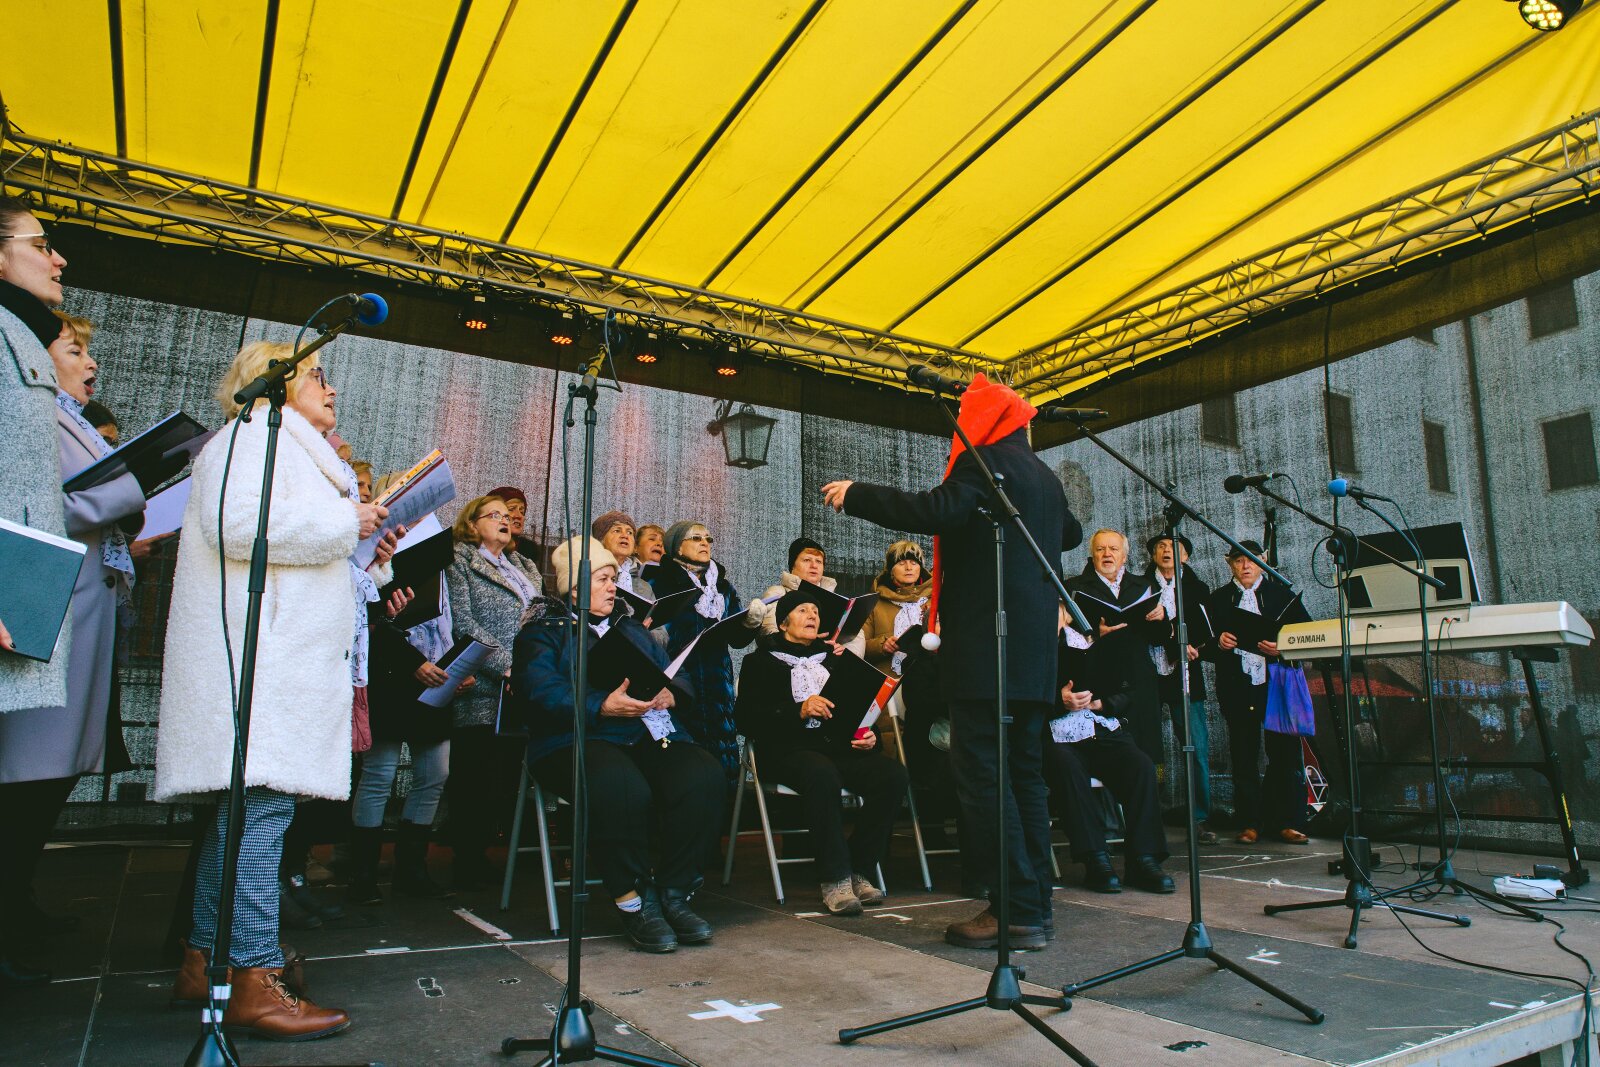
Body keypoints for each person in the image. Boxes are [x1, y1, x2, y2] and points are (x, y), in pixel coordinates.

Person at [156, 340, 385, 1039]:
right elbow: (238, 527)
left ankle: (205, 961)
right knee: (258, 822)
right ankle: (253, 978)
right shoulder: (254, 436)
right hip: (262, 668)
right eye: (318, 375)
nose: (332, 389)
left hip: (276, 664)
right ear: (276, 381)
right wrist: (347, 521)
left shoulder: (279, 445)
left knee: (244, 820)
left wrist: (360, 538)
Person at [823, 374, 1082, 951]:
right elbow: (1069, 533)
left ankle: (1014, 907)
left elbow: (934, 509)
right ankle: (1034, 904)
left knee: (984, 778)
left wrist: (858, 493)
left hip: (988, 651)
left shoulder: (983, 464)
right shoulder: (1043, 476)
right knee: (1025, 777)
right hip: (1033, 656)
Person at [0, 312, 149, 947]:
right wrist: (128, 489)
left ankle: (17, 899)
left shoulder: (75, 421)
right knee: (26, 777)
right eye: (75, 350)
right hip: (46, 611)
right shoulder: (35, 414)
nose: (91, 364)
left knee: (47, 781)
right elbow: (36, 504)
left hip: (85, 611)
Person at [514, 537, 723, 953]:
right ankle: (635, 901)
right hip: (573, 739)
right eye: (603, 579)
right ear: (575, 589)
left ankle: (674, 892)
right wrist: (600, 705)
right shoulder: (542, 633)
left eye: (614, 578)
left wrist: (671, 693)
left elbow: (674, 673)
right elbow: (538, 692)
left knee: (703, 775)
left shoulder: (630, 628)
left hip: (642, 733)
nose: (614, 587)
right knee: (621, 785)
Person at [734, 590, 907, 915]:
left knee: (892, 775)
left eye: (815, 611)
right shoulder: (759, 662)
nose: (813, 615)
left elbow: (855, 709)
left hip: (834, 748)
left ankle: (859, 868)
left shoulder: (834, 659)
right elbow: (745, 719)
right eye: (803, 610)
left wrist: (866, 733)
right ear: (783, 624)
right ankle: (835, 878)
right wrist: (797, 710)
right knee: (821, 773)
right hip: (785, 750)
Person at [442, 494, 544, 887]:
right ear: (472, 524)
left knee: (504, 776)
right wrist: (505, 666)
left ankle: (487, 850)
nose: (505, 520)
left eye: (507, 515)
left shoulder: (524, 566)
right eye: (494, 515)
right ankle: (467, 858)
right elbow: (462, 621)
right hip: (484, 684)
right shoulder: (460, 561)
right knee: (474, 775)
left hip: (522, 683)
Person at [1046, 621, 1173, 894]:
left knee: (1141, 766)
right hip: (1058, 735)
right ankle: (1096, 858)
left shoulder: (1091, 640)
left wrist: (1103, 702)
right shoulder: (1037, 641)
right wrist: (1060, 699)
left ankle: (1143, 859)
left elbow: (1128, 690)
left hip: (1101, 728)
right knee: (1066, 766)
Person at [351, 586, 457, 904]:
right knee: (380, 775)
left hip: (437, 675)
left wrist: (458, 668)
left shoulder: (444, 570)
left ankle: (411, 870)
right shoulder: (383, 566)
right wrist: (411, 660)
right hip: (390, 676)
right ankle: (363, 875)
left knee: (434, 774)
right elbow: (371, 622)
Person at [1205, 540, 1313, 845]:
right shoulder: (1219, 599)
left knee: (1284, 753)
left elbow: (1306, 633)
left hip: (1275, 683)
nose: (1246, 566)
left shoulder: (1281, 595)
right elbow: (1202, 644)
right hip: (1238, 687)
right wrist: (1218, 643)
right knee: (1243, 754)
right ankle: (1249, 822)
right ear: (1229, 564)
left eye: (1252, 560)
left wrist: (1282, 647)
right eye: (1239, 560)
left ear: (1263, 561)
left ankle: (1286, 821)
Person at [649, 521, 764, 789]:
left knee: (722, 766)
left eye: (708, 539)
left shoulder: (722, 587)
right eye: (696, 538)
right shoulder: (660, 581)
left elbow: (736, 640)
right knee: (685, 771)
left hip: (717, 687)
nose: (705, 543)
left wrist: (751, 623)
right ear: (677, 547)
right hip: (678, 683)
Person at [1068, 530, 1166, 767]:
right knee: (1104, 755)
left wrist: (1161, 618)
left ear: (1124, 556)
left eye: (1113, 549)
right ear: (1092, 555)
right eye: (1100, 549)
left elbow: (1158, 639)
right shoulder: (1074, 587)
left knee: (1145, 748)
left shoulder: (1144, 585)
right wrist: (1095, 635)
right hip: (1099, 678)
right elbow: (1064, 636)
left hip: (1139, 677)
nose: (1107, 554)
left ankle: (1151, 789)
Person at [1145, 532, 1216, 843]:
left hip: (1185, 673)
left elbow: (1207, 629)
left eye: (1174, 547)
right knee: (1148, 749)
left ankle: (1198, 818)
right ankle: (1148, 815)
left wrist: (1190, 643)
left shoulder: (1198, 589)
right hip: (1148, 672)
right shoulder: (1140, 586)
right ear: (1152, 555)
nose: (1166, 551)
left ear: (1185, 556)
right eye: (1160, 547)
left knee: (1195, 747)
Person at [860, 540, 932, 677]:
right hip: (888, 680)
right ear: (891, 570)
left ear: (920, 568)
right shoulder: (874, 603)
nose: (909, 567)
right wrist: (882, 645)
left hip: (929, 679)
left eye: (914, 563)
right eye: (901, 563)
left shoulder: (933, 600)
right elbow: (857, 646)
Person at [757, 537, 836, 636]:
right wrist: (810, 642)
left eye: (819, 561)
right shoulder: (777, 593)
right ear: (792, 566)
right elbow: (768, 633)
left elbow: (851, 636)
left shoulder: (835, 598)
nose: (814, 565)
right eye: (807, 560)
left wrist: (843, 646)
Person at [488, 484, 541, 561]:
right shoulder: (478, 550)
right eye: (511, 509)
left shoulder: (528, 552)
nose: (519, 516)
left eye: (522, 511)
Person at [592, 510, 641, 592]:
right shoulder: (588, 575)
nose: (625, 536)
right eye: (617, 531)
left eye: (630, 532)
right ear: (600, 539)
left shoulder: (645, 587)